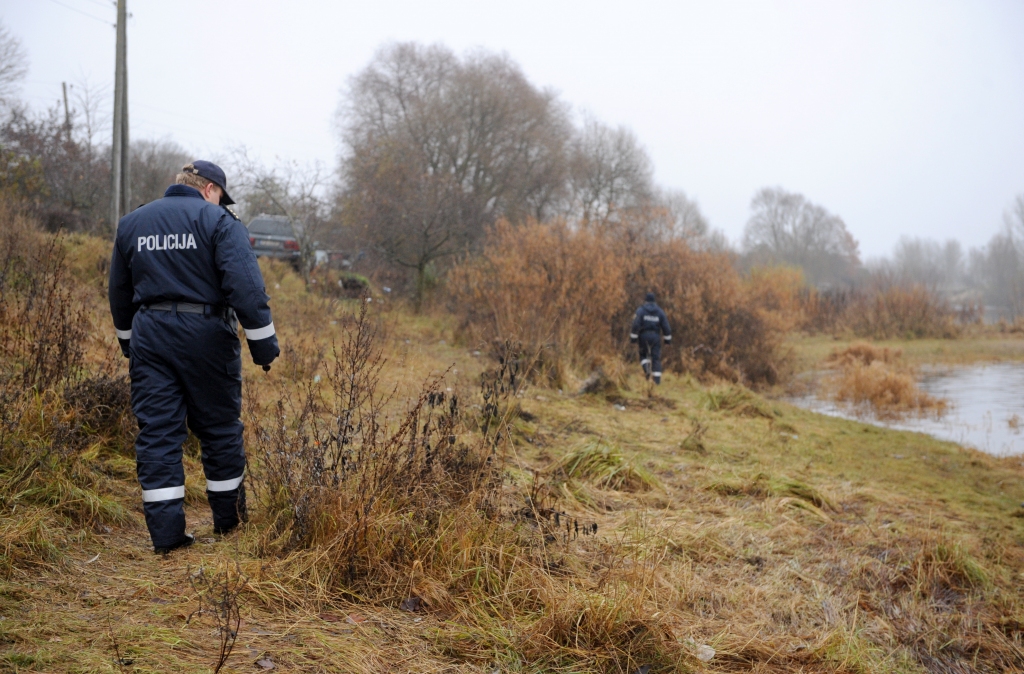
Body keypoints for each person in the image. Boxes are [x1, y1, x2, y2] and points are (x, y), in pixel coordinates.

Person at [108, 161, 280, 554]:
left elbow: (119, 292)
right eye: (221, 195)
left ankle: (167, 537)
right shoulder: (218, 222)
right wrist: (264, 347)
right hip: (206, 336)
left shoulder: (132, 223)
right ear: (208, 190)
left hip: (150, 335)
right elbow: (247, 289)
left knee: (158, 434)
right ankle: (229, 524)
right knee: (219, 429)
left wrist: (129, 343)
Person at [630, 292, 672, 384]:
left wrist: (633, 339)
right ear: (654, 301)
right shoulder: (660, 311)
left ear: (646, 300)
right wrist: (667, 341)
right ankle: (656, 381)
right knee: (656, 358)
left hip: (643, 336)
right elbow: (666, 327)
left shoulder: (641, 310)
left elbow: (635, 325)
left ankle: (647, 370)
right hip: (656, 337)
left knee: (643, 355)